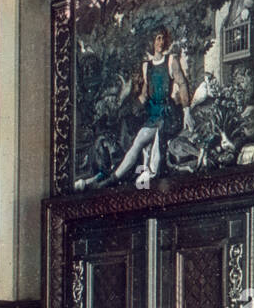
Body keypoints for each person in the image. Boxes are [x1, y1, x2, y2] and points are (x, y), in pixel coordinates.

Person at [77, 27, 188, 190]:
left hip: (168, 113)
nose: (161, 42)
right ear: (151, 41)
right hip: (153, 113)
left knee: (149, 138)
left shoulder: (171, 61)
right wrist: (128, 106)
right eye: (157, 38)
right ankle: (114, 177)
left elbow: (183, 84)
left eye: (163, 38)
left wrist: (187, 111)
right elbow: (144, 94)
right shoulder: (146, 67)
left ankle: (137, 176)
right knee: (135, 142)